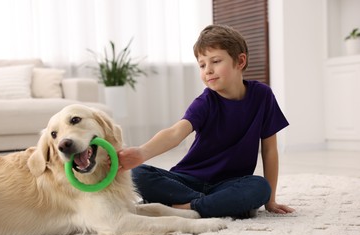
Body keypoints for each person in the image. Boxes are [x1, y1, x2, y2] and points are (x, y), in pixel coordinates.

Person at [117, 24, 295, 218]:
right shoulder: (205, 102)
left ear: (240, 61)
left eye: (216, 61)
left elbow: (269, 150)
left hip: (229, 183)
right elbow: (176, 133)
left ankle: (181, 207)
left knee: (260, 187)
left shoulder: (263, 95)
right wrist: (141, 153)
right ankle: (210, 205)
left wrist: (270, 201)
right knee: (138, 173)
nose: (208, 70)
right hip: (187, 180)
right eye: (202, 65)